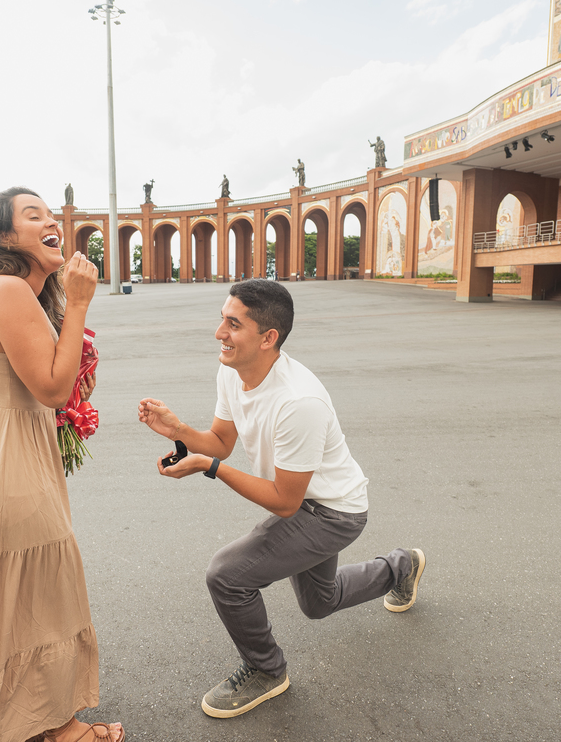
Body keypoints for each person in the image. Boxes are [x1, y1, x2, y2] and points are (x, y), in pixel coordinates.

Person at [137, 280, 424, 719]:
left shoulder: (299, 401)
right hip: (306, 502)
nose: (219, 333)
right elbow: (221, 441)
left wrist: (210, 468)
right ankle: (401, 567)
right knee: (319, 603)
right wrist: (178, 430)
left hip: (332, 513)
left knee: (227, 576)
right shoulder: (233, 371)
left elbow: (284, 503)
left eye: (234, 325)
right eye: (222, 319)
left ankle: (266, 670)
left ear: (268, 337)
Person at [0, 186, 124, 742]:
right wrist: (80, 303)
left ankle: (24, 724)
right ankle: (60, 729)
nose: (52, 222)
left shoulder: (24, 294)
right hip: (6, 462)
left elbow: (62, 385)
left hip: (3, 450)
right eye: (33, 215)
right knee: (36, 592)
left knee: (13, 597)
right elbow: (51, 388)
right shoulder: (7, 289)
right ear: (3, 236)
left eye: (52, 214)